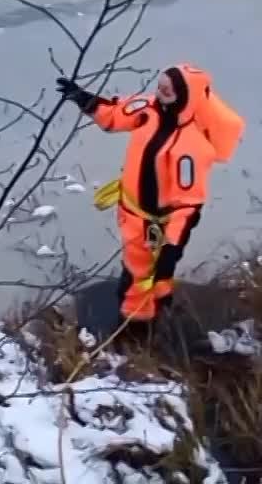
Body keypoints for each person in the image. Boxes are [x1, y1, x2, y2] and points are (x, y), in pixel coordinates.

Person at [56, 64, 245, 333]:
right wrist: (84, 99)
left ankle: (136, 327)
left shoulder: (190, 149)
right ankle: (161, 294)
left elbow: (188, 206)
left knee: (138, 276)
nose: (161, 91)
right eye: (161, 85)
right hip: (130, 208)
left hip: (152, 226)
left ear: (186, 96)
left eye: (169, 89)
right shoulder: (147, 107)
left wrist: (171, 250)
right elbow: (114, 116)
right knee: (146, 274)